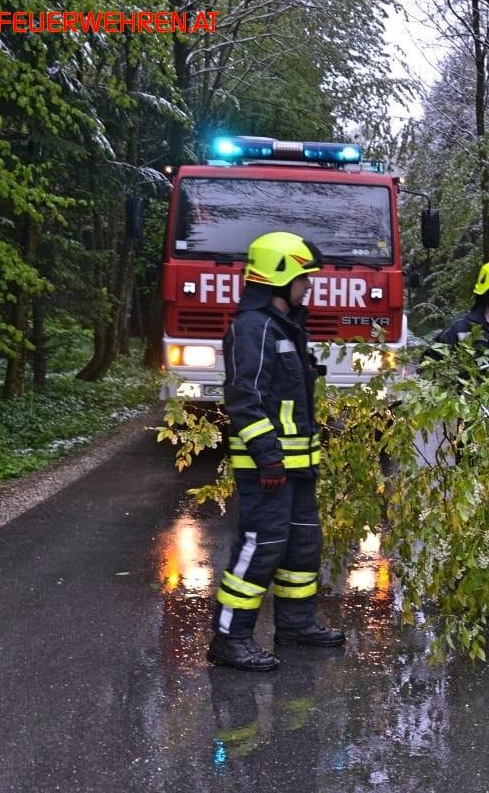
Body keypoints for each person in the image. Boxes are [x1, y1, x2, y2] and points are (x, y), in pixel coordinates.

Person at [207, 231, 345, 672]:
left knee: (303, 546)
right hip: (269, 467)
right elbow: (245, 398)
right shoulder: (254, 328)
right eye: (303, 278)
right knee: (261, 547)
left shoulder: (286, 326)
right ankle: (230, 639)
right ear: (280, 275)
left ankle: (296, 625)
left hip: (297, 467)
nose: (309, 287)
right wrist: (268, 454)